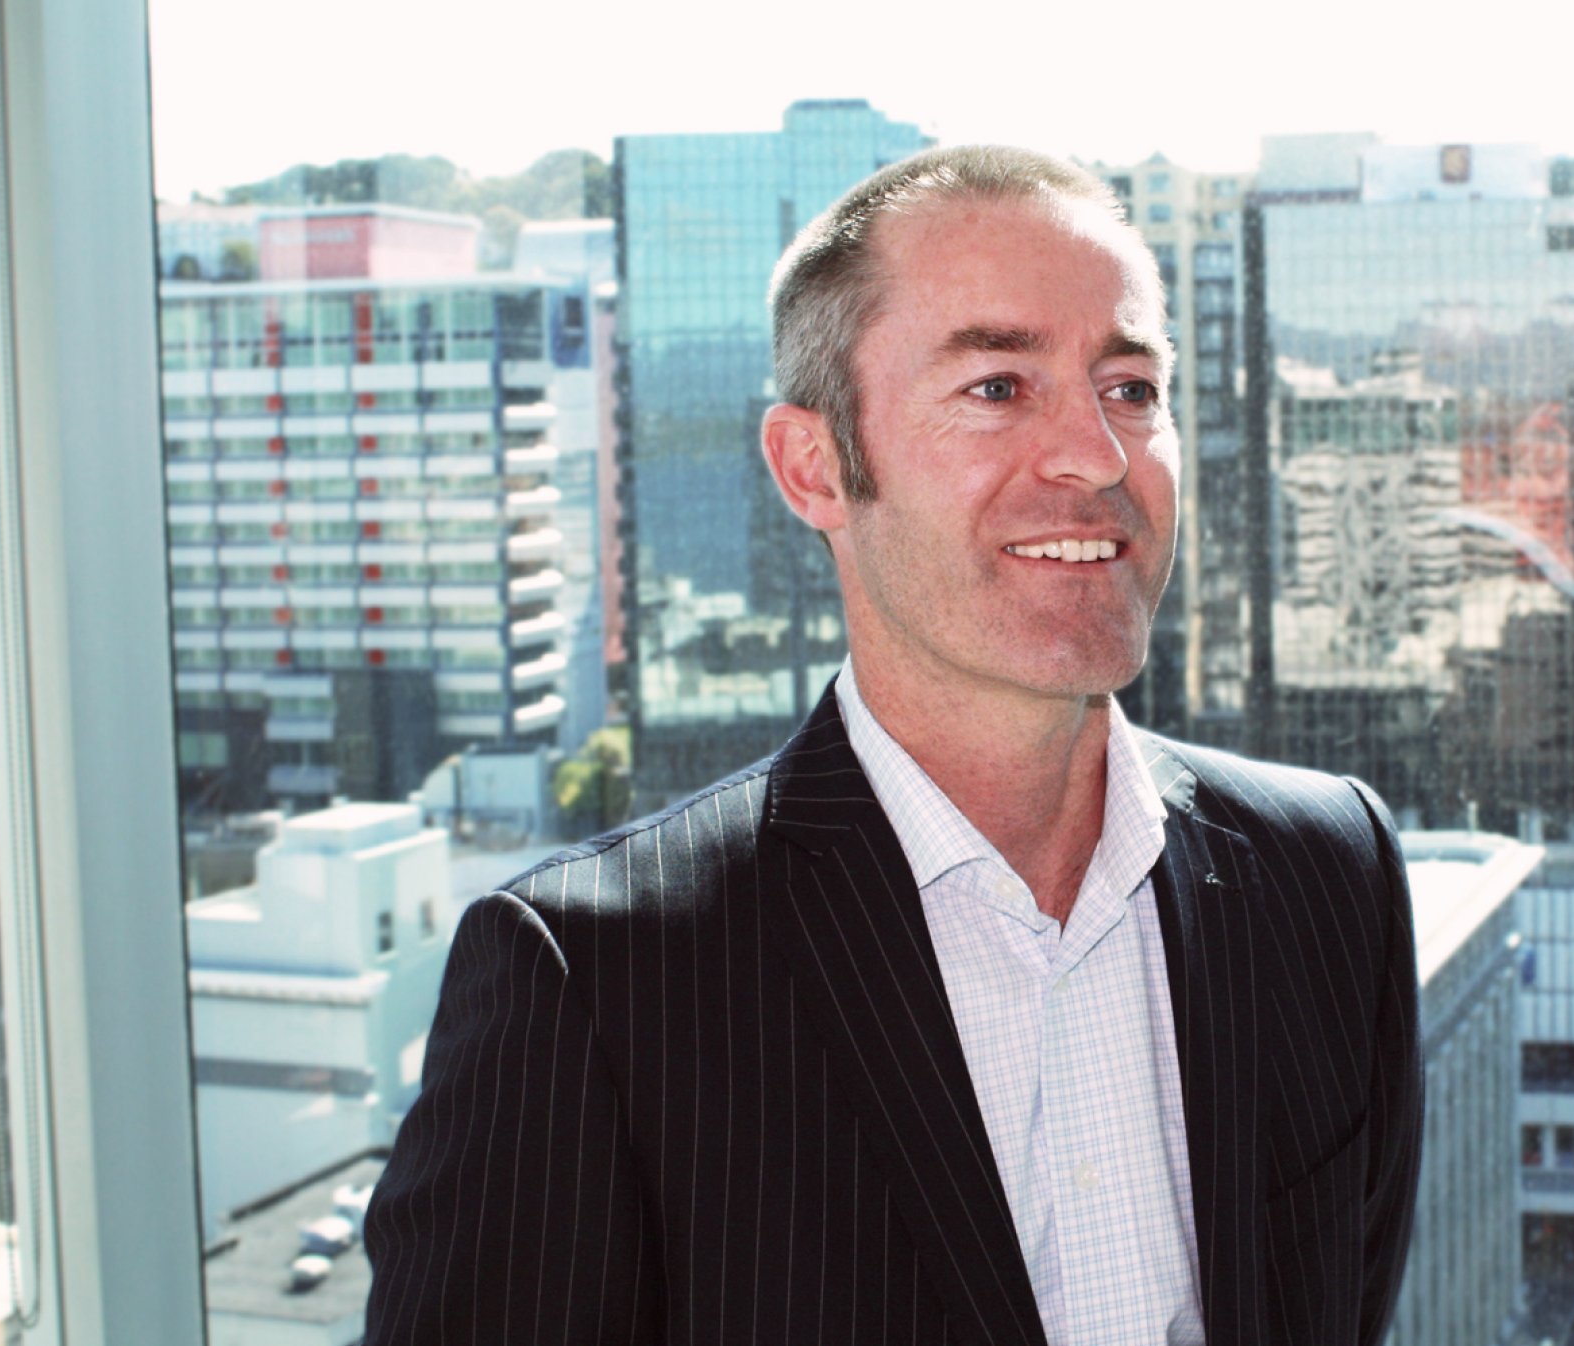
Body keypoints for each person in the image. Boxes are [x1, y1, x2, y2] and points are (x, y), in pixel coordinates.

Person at [363, 145, 1421, 1346]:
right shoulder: (593, 981)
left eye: (1130, 387)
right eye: (996, 387)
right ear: (813, 466)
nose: (1096, 454)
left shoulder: (1328, 867)